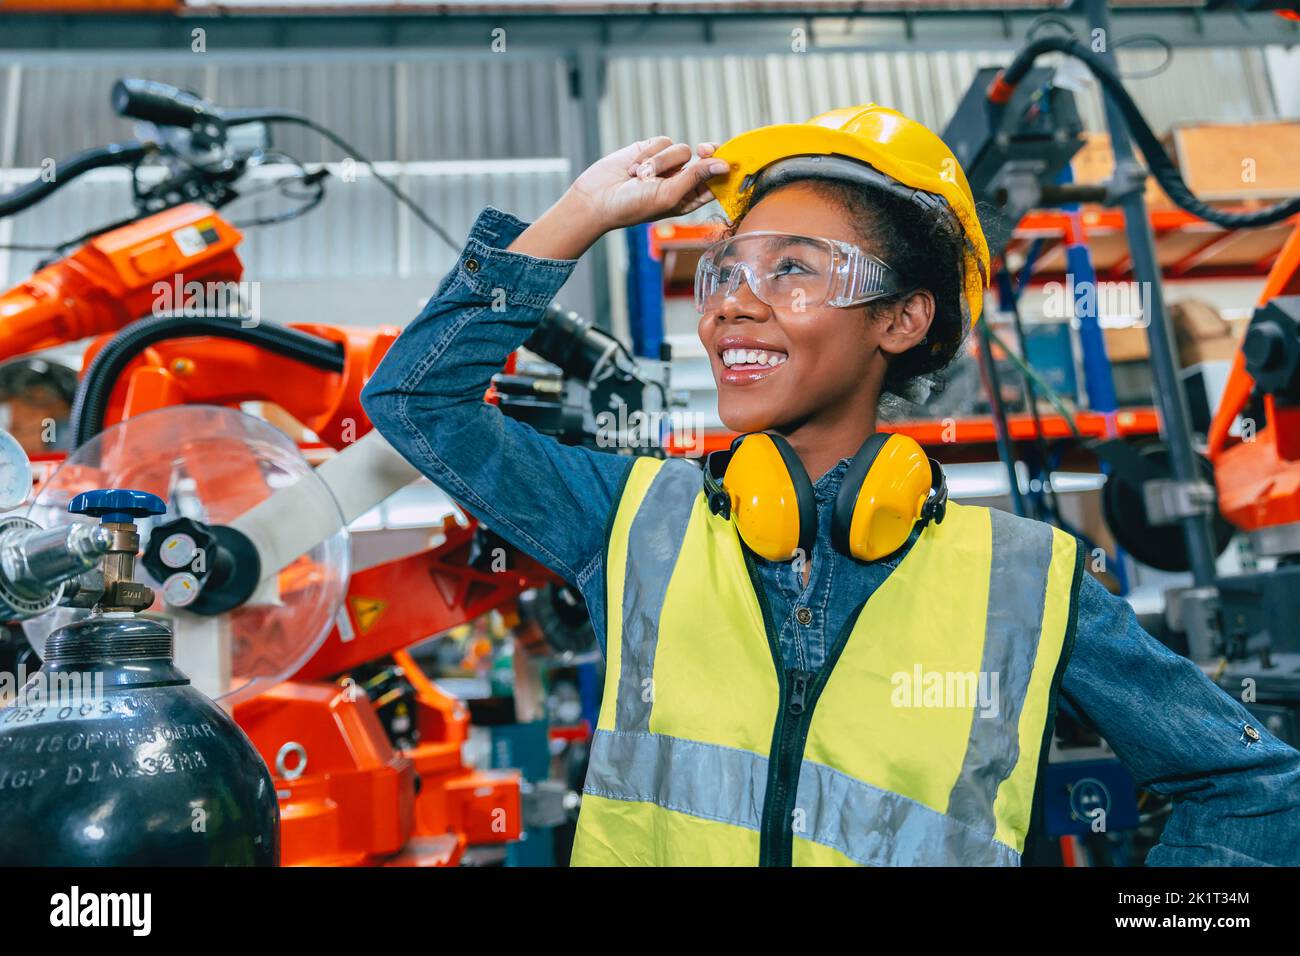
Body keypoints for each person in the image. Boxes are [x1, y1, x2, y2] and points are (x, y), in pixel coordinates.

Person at [361, 105, 1300, 866]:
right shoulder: (634, 519)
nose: (732, 299)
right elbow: (416, 400)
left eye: (794, 270)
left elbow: (1251, 791)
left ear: (901, 320)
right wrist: (577, 216)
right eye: (725, 269)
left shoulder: (1026, 581)